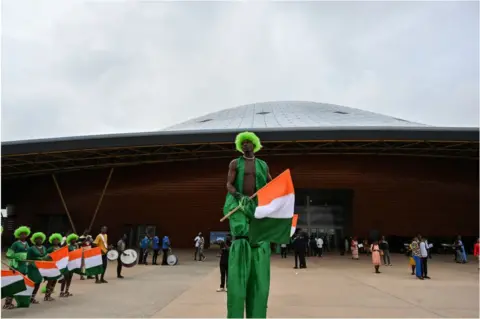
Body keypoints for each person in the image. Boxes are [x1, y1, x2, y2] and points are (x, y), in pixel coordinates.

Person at [223, 131, 273, 318]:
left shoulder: (262, 164)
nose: (245, 145)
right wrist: (238, 196)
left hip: (257, 204)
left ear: (255, 145)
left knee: (259, 285)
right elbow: (228, 184)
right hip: (238, 203)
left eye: (248, 143)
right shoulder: (235, 163)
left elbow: (270, 183)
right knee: (241, 231)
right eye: (242, 143)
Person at [4, 226, 31, 309]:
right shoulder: (15, 244)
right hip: (16, 266)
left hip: (24, 266)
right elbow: (8, 255)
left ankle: (19, 301)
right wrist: (17, 257)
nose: (23, 235)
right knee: (13, 283)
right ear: (18, 235)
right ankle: (7, 303)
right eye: (21, 234)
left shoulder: (27, 243)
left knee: (20, 284)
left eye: (25, 234)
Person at [26, 232, 48, 304]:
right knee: (33, 282)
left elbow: (45, 256)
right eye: (37, 239)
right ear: (34, 240)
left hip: (41, 267)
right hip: (32, 268)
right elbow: (28, 259)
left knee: (38, 282)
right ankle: (28, 297)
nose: (39, 240)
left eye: (41, 239)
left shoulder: (44, 247)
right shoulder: (31, 249)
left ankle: (32, 297)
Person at [45, 233, 63, 301]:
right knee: (50, 280)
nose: (56, 241)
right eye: (54, 240)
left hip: (57, 266)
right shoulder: (50, 249)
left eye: (57, 240)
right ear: (51, 241)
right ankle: (46, 296)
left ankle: (50, 294)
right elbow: (47, 257)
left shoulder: (60, 248)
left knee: (55, 280)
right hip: (51, 266)